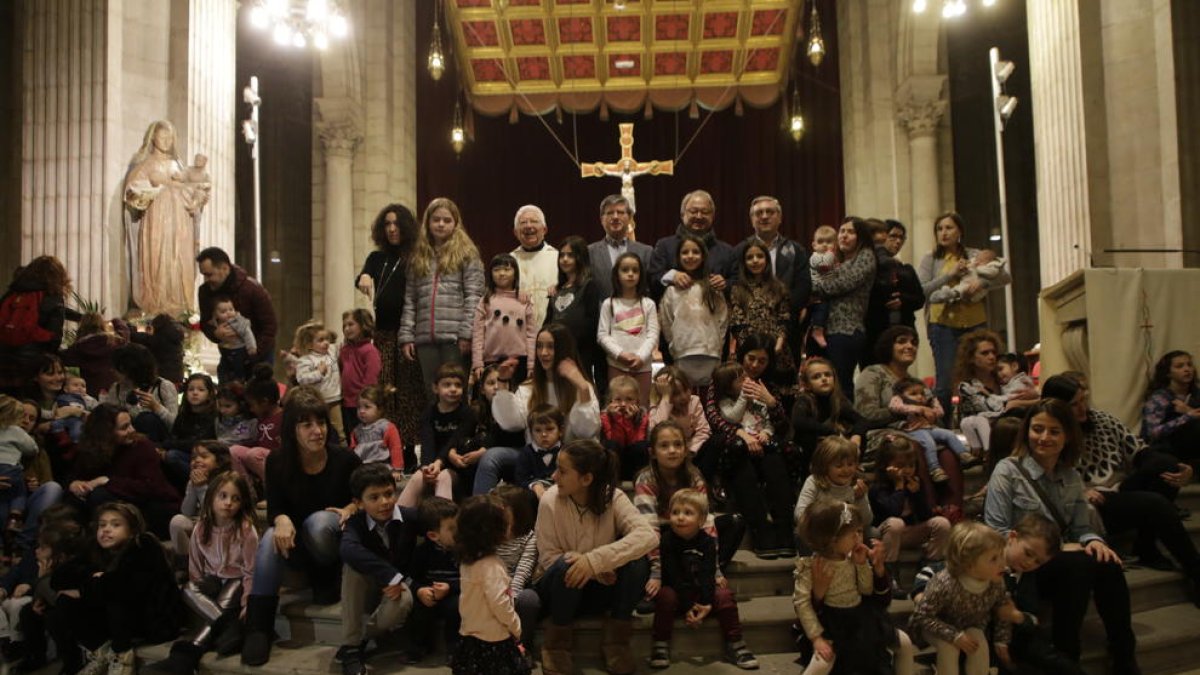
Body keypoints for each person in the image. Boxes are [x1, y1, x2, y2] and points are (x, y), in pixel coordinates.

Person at [983, 398, 1140, 674]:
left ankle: (1124, 655)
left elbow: (1082, 528)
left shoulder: (1070, 477)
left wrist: (1094, 540)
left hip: (1059, 563)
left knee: (1107, 562)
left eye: (1054, 431)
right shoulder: (1008, 470)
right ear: (1027, 431)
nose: (1044, 438)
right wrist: (1056, 550)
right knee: (1078, 565)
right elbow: (996, 532)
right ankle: (1068, 653)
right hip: (1022, 567)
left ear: (1067, 436)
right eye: (1037, 429)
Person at [1042, 374, 1200, 603]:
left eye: (1083, 400)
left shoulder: (1101, 420)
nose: (1082, 408)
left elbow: (1141, 451)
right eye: (1074, 404)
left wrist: (1184, 471)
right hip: (1088, 503)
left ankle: (1147, 546)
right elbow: (1046, 477)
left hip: (1119, 489)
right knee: (1155, 504)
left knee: (1165, 464)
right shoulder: (1051, 433)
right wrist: (1080, 491)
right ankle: (1194, 568)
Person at [241, 387, 362, 667]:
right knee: (271, 534)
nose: (317, 431)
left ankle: (326, 579)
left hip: (333, 545)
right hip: (296, 546)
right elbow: (275, 509)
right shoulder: (277, 461)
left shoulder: (345, 459)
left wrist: (350, 508)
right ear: (292, 429)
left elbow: (365, 499)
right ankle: (259, 627)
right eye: (306, 424)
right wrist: (280, 518)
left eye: (320, 423)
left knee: (318, 522)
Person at [534, 440, 657, 675]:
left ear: (586, 479)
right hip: (561, 591)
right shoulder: (550, 500)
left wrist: (595, 562)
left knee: (639, 562)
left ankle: (617, 643)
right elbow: (548, 558)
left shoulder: (614, 497)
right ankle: (556, 645)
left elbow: (648, 536)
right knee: (566, 564)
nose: (554, 476)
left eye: (562, 470)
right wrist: (589, 566)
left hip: (602, 585)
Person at [47, 502, 182, 675]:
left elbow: (127, 586)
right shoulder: (97, 550)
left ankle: (122, 656)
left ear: (132, 530)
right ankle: (101, 652)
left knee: (114, 596)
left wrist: (87, 588)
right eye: (102, 525)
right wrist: (93, 579)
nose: (106, 530)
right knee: (64, 602)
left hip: (154, 620)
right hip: (120, 621)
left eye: (115, 525)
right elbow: (58, 579)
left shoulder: (144, 544)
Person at [149, 471, 259, 674]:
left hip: (237, 580)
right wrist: (201, 594)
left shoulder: (245, 529)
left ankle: (182, 659)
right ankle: (229, 626)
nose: (228, 503)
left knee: (230, 590)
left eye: (235, 499)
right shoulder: (201, 528)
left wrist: (247, 602)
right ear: (211, 498)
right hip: (213, 580)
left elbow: (251, 571)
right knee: (188, 588)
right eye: (223, 496)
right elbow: (196, 568)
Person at [473, 324, 600, 496]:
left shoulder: (580, 386)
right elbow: (511, 423)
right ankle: (480, 513)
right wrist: (503, 383)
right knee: (491, 457)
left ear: (563, 349)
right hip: (533, 455)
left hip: (570, 456)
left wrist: (583, 388)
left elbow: (586, 432)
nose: (544, 353)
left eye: (550, 347)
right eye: (539, 346)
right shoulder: (529, 387)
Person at [793, 499, 912, 675]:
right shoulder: (810, 566)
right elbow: (802, 604)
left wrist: (862, 564)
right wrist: (817, 638)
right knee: (821, 664)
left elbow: (865, 590)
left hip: (861, 619)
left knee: (904, 644)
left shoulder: (852, 559)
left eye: (860, 532)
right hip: (831, 624)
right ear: (832, 540)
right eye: (853, 534)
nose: (859, 538)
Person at [648, 489, 758, 670]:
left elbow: (708, 573)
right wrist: (688, 606)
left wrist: (706, 603)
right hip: (678, 591)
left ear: (701, 520)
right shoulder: (667, 540)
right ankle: (660, 644)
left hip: (701, 590)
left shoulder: (707, 541)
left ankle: (736, 644)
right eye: (675, 512)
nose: (680, 517)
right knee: (665, 595)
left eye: (687, 513)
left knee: (724, 595)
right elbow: (673, 575)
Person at [917, 212, 1011, 416]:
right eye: (939, 229)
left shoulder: (974, 254)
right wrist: (950, 275)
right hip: (942, 324)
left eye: (949, 228)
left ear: (959, 231)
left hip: (974, 323)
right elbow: (921, 290)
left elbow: (1004, 277)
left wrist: (983, 282)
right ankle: (944, 425)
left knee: (981, 375)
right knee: (945, 381)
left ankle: (987, 417)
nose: (944, 233)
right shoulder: (931, 259)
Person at [337, 463, 420, 675]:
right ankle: (352, 648)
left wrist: (397, 580)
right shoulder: (356, 523)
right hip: (369, 587)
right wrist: (389, 575)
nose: (384, 502)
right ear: (358, 503)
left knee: (404, 600)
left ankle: (357, 641)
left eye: (389, 494)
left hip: (397, 590)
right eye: (374, 497)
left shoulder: (409, 517)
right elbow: (348, 549)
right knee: (352, 567)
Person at [356, 203, 423, 458]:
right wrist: (363, 276)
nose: (392, 229)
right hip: (382, 335)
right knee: (385, 391)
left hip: (408, 334)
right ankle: (386, 448)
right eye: (387, 224)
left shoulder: (415, 257)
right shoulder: (376, 258)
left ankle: (407, 451)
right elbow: (363, 276)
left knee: (409, 393)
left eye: (396, 224)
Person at [908, 521, 1017, 675]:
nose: (1003, 564)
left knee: (979, 642)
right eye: (994, 559)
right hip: (934, 626)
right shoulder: (944, 583)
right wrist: (954, 636)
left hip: (969, 625)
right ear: (969, 564)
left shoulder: (996, 581)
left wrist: (1001, 639)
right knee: (949, 647)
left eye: (1001, 556)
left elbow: (1002, 609)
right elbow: (922, 616)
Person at [399, 198, 485, 390]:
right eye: (436, 219)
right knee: (432, 392)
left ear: (456, 223)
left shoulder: (467, 253)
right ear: (427, 223)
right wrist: (406, 336)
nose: (441, 224)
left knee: (456, 390)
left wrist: (466, 334)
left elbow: (474, 296)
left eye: (447, 220)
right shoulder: (418, 256)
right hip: (425, 339)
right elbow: (410, 300)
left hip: (454, 339)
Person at [123, 120, 207, 316]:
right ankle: (155, 305)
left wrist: (197, 198)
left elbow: (191, 188)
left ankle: (179, 306)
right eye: (163, 136)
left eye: (170, 138)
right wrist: (152, 186)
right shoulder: (146, 165)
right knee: (158, 258)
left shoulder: (177, 165)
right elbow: (131, 191)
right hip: (156, 221)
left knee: (179, 260)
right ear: (153, 137)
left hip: (180, 222)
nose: (167, 141)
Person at [66, 404, 181, 537]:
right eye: (124, 427)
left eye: (130, 424)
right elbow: (76, 475)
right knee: (74, 499)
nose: (132, 430)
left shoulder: (142, 446)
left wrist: (107, 481)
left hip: (153, 506)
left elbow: (150, 487)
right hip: (116, 505)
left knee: (100, 495)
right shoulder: (90, 451)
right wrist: (75, 484)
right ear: (106, 433)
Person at [730, 196, 812, 367]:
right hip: (750, 329)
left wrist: (780, 311)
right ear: (752, 220)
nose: (764, 216)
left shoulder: (796, 250)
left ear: (780, 218)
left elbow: (804, 287)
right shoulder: (739, 250)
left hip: (788, 328)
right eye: (759, 213)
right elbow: (735, 285)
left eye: (770, 212)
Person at [452, 494, 529, 675]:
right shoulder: (492, 567)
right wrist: (516, 627)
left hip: (470, 636)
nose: (510, 526)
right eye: (506, 522)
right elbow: (500, 604)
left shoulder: (468, 560)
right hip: (494, 641)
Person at [868, 435, 950, 598]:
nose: (906, 470)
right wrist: (899, 487)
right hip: (887, 535)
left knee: (942, 523)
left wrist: (917, 494)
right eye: (900, 466)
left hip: (911, 532)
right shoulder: (878, 487)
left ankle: (930, 568)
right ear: (887, 465)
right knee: (896, 523)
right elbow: (891, 512)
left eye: (911, 465)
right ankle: (889, 574)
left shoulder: (915, 483)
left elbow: (926, 515)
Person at [810, 217, 876, 398]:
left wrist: (813, 286)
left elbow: (841, 284)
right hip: (827, 329)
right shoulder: (835, 258)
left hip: (846, 329)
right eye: (842, 231)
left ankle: (846, 424)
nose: (844, 235)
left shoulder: (866, 256)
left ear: (860, 236)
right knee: (824, 386)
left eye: (850, 232)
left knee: (841, 383)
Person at [658, 235, 729, 387]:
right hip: (682, 352)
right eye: (685, 252)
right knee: (685, 398)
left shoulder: (713, 287)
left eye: (696, 252)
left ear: (703, 256)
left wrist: (717, 346)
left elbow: (722, 321)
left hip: (711, 352)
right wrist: (674, 346)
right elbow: (666, 322)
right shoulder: (672, 290)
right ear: (678, 257)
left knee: (709, 398)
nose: (690, 256)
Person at [955, 329, 1038, 453]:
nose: (992, 357)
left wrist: (1034, 396)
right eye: (985, 353)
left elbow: (1020, 401)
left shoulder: (1003, 379)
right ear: (971, 358)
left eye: (993, 352)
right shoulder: (967, 386)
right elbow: (993, 408)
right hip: (983, 436)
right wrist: (1018, 403)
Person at [403, 363, 474, 502]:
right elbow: (427, 443)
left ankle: (441, 520)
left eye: (458, 385)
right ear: (436, 388)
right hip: (433, 463)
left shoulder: (468, 414)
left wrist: (439, 463)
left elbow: (454, 441)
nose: (453, 389)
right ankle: (396, 520)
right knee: (417, 477)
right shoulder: (428, 414)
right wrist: (426, 467)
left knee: (443, 478)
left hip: (456, 467)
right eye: (447, 385)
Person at [647, 190, 736, 301]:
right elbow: (652, 279)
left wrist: (725, 284)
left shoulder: (727, 251)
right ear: (682, 214)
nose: (699, 216)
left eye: (705, 212)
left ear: (713, 216)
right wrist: (671, 276)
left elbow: (739, 282)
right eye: (693, 211)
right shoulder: (664, 246)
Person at [196, 247, 277, 368]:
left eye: (209, 274)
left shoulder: (252, 289)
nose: (206, 280)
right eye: (204, 275)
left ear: (224, 268)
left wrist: (253, 354)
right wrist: (215, 333)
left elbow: (270, 326)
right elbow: (205, 322)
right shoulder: (205, 291)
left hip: (260, 357)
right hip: (229, 355)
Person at [597, 253, 659, 404]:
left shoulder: (648, 304)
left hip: (642, 367)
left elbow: (653, 334)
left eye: (635, 270)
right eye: (625, 270)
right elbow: (602, 335)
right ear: (617, 274)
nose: (630, 274)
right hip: (617, 365)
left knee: (641, 407)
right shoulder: (608, 304)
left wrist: (641, 357)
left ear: (640, 275)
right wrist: (621, 355)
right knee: (618, 408)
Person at [861, 220, 924, 369]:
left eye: (901, 238)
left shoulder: (906, 269)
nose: (897, 241)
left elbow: (919, 299)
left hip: (902, 329)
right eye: (893, 236)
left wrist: (902, 300)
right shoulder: (867, 265)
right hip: (874, 330)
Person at [406, 497, 462, 664]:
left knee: (457, 606)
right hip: (430, 594)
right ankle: (419, 646)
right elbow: (411, 577)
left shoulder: (464, 550)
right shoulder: (422, 552)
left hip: (454, 593)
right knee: (418, 608)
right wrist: (420, 590)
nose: (459, 531)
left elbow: (471, 579)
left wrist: (450, 587)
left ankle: (454, 647)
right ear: (433, 535)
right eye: (452, 528)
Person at [890, 377, 977, 482]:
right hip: (914, 430)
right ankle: (934, 469)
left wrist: (933, 402)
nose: (919, 397)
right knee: (928, 442)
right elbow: (895, 407)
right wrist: (920, 409)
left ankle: (963, 454)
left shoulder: (927, 401)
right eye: (913, 393)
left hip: (929, 428)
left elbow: (940, 412)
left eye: (921, 393)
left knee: (949, 434)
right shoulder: (900, 400)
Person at [729, 240, 794, 379]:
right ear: (744, 262)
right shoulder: (737, 289)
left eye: (760, 256)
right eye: (750, 257)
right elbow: (737, 323)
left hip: (776, 349)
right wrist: (749, 349)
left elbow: (784, 318)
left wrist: (778, 346)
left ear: (767, 259)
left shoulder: (779, 287)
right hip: (749, 352)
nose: (755, 261)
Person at [546, 236, 603, 391]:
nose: (564, 259)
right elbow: (548, 322)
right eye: (562, 255)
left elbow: (592, 323)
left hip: (580, 354)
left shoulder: (590, 285)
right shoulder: (556, 290)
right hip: (556, 353)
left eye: (570, 255)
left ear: (581, 257)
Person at [471, 253, 535, 387]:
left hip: (520, 362)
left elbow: (531, 335)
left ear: (515, 273)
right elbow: (477, 335)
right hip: (491, 362)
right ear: (490, 274)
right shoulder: (485, 301)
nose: (502, 273)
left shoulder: (524, 301)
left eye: (507, 269)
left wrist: (531, 365)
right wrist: (477, 363)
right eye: (497, 270)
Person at [166, 440, 232, 563]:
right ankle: (185, 563)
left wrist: (201, 488)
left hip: (224, 526)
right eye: (193, 457)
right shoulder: (194, 481)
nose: (196, 460)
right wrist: (193, 486)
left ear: (219, 462)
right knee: (178, 521)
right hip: (202, 523)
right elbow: (187, 512)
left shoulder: (228, 481)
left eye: (204, 456)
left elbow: (218, 514)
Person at [492, 485, 541, 648]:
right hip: (490, 586)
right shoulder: (487, 534)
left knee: (529, 599)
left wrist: (509, 596)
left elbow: (523, 572)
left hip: (515, 589)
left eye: (502, 511)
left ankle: (522, 646)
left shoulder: (529, 538)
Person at [101, 343, 179, 443]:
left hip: (157, 440)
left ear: (129, 370)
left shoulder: (163, 386)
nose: (112, 371)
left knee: (147, 419)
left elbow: (175, 426)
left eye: (117, 368)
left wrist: (156, 407)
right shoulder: (116, 388)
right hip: (126, 438)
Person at [794, 437, 872, 537]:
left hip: (848, 534)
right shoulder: (814, 481)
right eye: (839, 466)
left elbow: (866, 520)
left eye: (850, 464)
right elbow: (800, 514)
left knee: (872, 532)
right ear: (824, 466)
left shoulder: (856, 483)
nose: (846, 470)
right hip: (821, 533)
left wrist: (860, 498)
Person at [588, 195, 653, 300]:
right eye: (610, 213)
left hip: (637, 314)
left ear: (629, 218)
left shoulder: (646, 252)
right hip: (600, 315)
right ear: (601, 219)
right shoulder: (589, 252)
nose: (615, 217)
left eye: (620, 212)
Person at [1141, 350, 1200, 462]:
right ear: (1168, 373)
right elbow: (1152, 433)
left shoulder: (1196, 394)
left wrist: (1188, 410)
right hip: (1165, 450)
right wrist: (1187, 417)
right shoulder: (1160, 398)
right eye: (1179, 366)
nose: (1187, 369)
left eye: (1189, 365)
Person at [229, 365, 283, 485]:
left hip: (278, 461)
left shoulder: (284, 417)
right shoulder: (260, 419)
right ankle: (246, 489)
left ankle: (273, 489)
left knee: (254, 454)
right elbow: (259, 441)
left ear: (264, 401)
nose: (251, 409)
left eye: (252, 405)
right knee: (233, 450)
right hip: (260, 458)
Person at [510, 205, 559, 332]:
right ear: (515, 232)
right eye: (523, 222)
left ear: (544, 229)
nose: (528, 226)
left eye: (534, 221)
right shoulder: (509, 261)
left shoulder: (558, 257)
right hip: (517, 329)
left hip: (550, 330)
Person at [293, 322, 344, 437]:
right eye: (320, 340)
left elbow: (338, 341)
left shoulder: (331, 350)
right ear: (309, 344)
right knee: (321, 431)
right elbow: (301, 379)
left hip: (335, 398)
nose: (325, 342)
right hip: (318, 401)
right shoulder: (306, 360)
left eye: (326, 339)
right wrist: (318, 373)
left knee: (339, 431)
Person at [60, 313, 124, 397]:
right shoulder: (115, 342)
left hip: (91, 390)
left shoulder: (79, 348)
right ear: (102, 324)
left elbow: (62, 358)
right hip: (115, 389)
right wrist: (116, 321)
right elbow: (125, 332)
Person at [339, 308, 381, 431]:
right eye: (344, 326)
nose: (346, 328)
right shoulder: (344, 350)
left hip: (362, 404)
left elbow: (371, 378)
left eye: (351, 324)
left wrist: (364, 401)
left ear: (363, 325)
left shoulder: (369, 350)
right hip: (346, 403)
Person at [601, 376, 650, 481]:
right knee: (610, 445)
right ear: (611, 400)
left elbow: (637, 442)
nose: (623, 404)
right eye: (618, 399)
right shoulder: (606, 416)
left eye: (629, 399)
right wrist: (617, 419)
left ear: (637, 401)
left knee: (641, 447)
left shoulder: (642, 416)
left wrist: (628, 421)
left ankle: (641, 481)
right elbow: (614, 440)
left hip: (633, 461)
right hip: (616, 460)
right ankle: (611, 483)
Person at [348, 385, 404, 474]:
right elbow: (352, 453)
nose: (361, 411)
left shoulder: (387, 427)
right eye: (359, 407)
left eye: (367, 407)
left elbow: (395, 448)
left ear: (380, 409)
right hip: (363, 470)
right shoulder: (356, 431)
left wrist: (396, 470)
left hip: (382, 468)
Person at [513, 405, 564, 500]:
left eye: (549, 429)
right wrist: (534, 485)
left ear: (561, 430)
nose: (544, 434)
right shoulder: (526, 453)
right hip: (534, 499)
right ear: (531, 433)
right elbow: (520, 480)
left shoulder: (566, 451)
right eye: (538, 430)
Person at [129, 313, 186, 388]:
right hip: (176, 378)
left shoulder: (161, 339)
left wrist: (129, 328)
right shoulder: (174, 337)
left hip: (164, 378)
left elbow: (139, 337)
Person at [209, 296, 257, 385]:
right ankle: (224, 384)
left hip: (238, 350)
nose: (228, 313)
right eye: (223, 312)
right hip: (225, 351)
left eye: (231, 309)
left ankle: (239, 383)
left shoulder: (237, 322)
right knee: (223, 369)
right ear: (215, 314)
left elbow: (248, 333)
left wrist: (251, 347)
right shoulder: (217, 322)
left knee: (238, 370)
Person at [806, 225, 838, 350]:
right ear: (814, 245)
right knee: (821, 308)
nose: (824, 245)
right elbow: (825, 266)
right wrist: (831, 252)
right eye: (820, 242)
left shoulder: (833, 258)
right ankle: (817, 330)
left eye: (829, 242)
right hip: (818, 291)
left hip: (828, 291)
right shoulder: (815, 257)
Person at [48, 374, 98, 444]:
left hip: (78, 420)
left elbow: (97, 411)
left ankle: (75, 443)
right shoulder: (61, 397)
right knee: (55, 424)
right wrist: (54, 415)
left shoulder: (89, 399)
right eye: (75, 385)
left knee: (77, 429)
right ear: (66, 389)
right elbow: (54, 409)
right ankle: (62, 438)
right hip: (62, 418)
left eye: (83, 386)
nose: (80, 388)